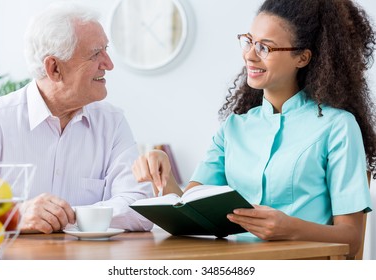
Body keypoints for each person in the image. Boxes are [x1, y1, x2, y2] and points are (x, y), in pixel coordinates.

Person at [132, 0, 375, 258]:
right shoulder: (233, 128)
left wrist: (290, 228)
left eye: (264, 47)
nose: (249, 55)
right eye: (249, 41)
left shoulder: (337, 126)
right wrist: (164, 175)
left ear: (302, 57)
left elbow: (351, 237)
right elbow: (191, 212)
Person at [0, 3, 153, 233]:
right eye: (96, 54)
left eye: (106, 49)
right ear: (54, 68)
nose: (109, 64)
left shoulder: (112, 123)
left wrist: (68, 216)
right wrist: (17, 216)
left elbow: (140, 207)